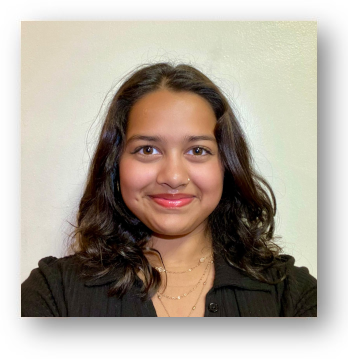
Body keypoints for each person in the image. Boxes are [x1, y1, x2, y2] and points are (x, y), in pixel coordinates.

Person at [21, 63, 317, 317]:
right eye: (147, 149)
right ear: (115, 163)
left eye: (198, 150)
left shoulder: (292, 297)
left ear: (226, 165)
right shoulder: (53, 294)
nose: (173, 177)